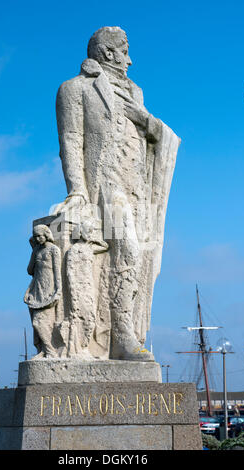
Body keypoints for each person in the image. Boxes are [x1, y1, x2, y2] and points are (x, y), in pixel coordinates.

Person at [54, 27, 180, 360]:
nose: (130, 59)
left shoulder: (135, 93)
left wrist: (146, 119)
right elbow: (71, 142)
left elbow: (157, 139)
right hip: (104, 189)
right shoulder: (74, 89)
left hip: (138, 192)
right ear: (109, 53)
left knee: (141, 261)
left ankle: (124, 335)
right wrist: (77, 191)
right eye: (125, 51)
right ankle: (121, 338)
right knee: (129, 253)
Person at [24, 224, 62, 359]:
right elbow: (30, 271)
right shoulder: (36, 251)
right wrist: (34, 252)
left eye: (40, 235)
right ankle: (42, 350)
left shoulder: (54, 250)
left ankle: (51, 351)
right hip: (36, 288)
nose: (39, 239)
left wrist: (58, 290)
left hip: (49, 288)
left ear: (46, 234)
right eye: (36, 237)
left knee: (40, 322)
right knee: (36, 324)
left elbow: (57, 272)